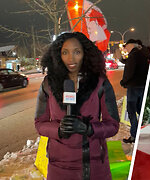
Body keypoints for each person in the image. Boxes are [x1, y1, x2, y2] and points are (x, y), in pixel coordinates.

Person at [35, 32, 119, 180]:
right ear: (57, 55)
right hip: (58, 167)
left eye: (77, 52)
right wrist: (58, 130)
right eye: (65, 52)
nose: (71, 58)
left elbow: (113, 125)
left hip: (93, 166)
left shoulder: (100, 84)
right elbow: (39, 124)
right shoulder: (48, 84)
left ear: (85, 53)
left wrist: (89, 129)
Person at [120, 39, 150, 143]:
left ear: (130, 45)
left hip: (133, 87)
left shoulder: (133, 55)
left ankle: (134, 135)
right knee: (140, 110)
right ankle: (141, 133)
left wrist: (123, 82)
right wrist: (123, 59)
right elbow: (131, 63)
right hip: (142, 85)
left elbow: (130, 70)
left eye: (126, 47)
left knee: (132, 111)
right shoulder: (141, 54)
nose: (125, 49)